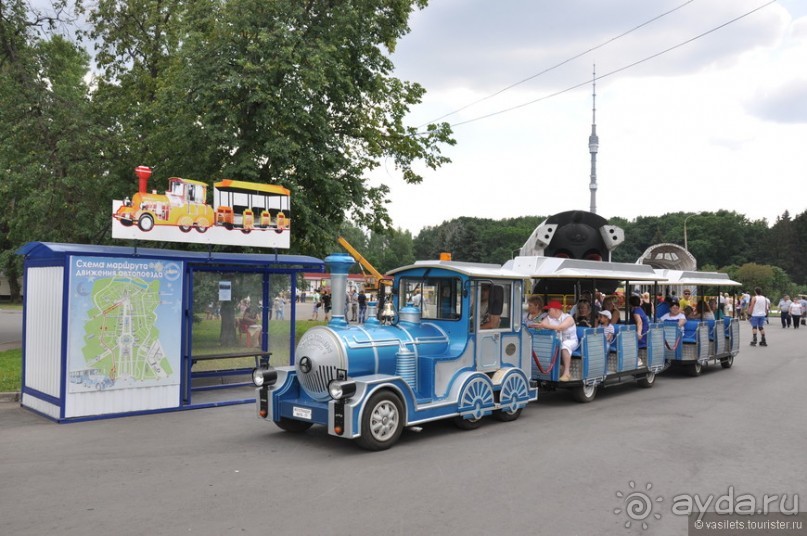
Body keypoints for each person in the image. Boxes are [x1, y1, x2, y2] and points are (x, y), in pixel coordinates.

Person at [537, 300, 578, 382]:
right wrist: (538, 325)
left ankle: (566, 373)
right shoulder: (549, 318)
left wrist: (544, 325)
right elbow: (541, 325)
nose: (548, 312)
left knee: (565, 346)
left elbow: (561, 328)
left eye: (549, 310)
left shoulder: (568, 318)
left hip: (570, 340)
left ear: (556, 310)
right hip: (556, 341)